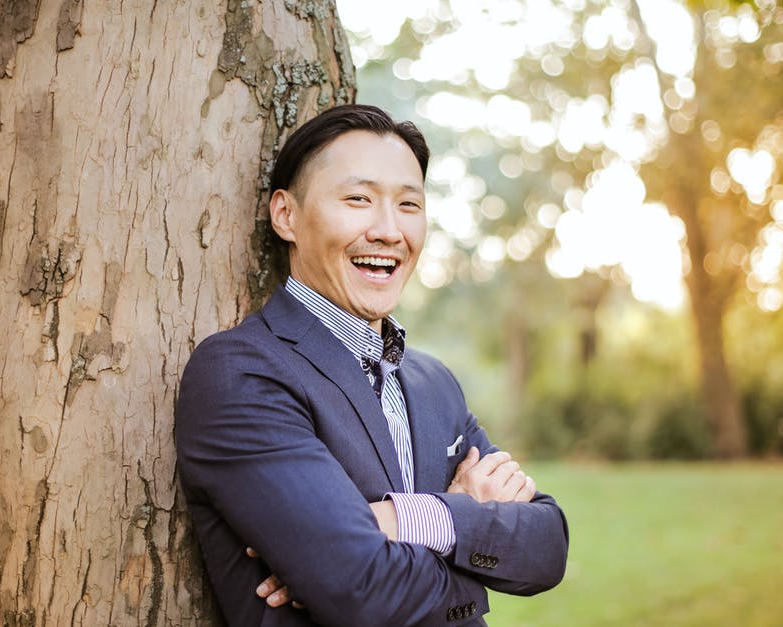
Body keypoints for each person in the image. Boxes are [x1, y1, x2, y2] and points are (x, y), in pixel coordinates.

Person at [174, 104, 568, 626]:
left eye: (409, 204)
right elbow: (360, 590)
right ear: (286, 215)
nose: (388, 231)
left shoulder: (433, 383)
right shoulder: (240, 372)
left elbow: (547, 546)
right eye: (359, 199)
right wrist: (467, 522)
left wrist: (409, 518)